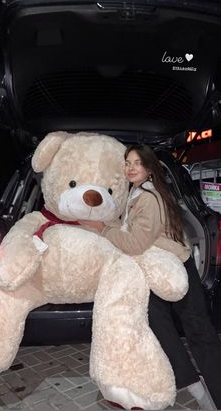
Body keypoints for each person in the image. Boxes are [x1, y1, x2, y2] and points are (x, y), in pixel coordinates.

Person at [80, 143, 221, 410]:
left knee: (199, 332)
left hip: (177, 268)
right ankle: (193, 384)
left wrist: (102, 229)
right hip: (154, 270)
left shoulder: (148, 197)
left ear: (149, 168)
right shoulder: (134, 193)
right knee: (159, 327)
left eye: (137, 163)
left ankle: (213, 392)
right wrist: (100, 223)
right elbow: (127, 227)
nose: (131, 168)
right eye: (127, 163)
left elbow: (135, 243)